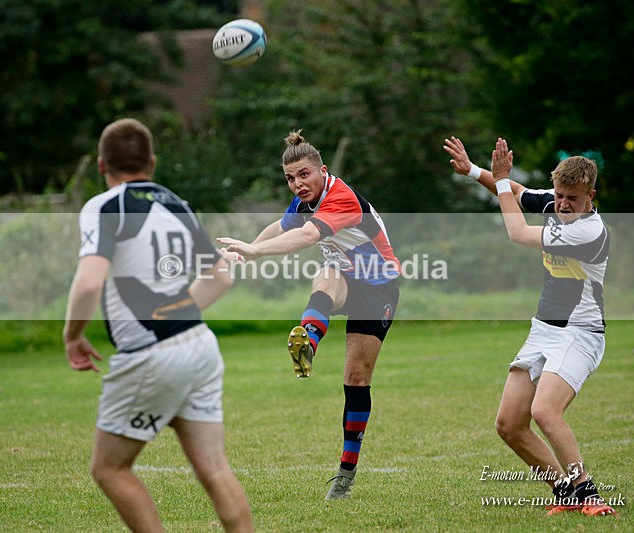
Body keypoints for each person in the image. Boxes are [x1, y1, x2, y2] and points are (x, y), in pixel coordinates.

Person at [63, 118, 253, 532]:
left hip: (151, 354)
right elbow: (221, 277)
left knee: (109, 468)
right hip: (199, 344)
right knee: (214, 467)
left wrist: (72, 335)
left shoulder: (104, 206)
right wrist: (177, 312)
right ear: (151, 162)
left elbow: (90, 281)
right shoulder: (176, 203)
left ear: (101, 165)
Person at [218, 130, 400, 500]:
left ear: (323, 171)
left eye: (304, 175)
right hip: (345, 278)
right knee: (327, 273)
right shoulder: (305, 200)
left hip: (379, 287)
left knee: (356, 378)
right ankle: (308, 340)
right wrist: (245, 250)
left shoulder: (341, 197)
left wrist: (255, 253)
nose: (298, 184)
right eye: (290, 178)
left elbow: (306, 237)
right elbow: (282, 226)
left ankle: (346, 473)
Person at [443, 136, 616, 517]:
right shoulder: (555, 202)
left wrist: (502, 181)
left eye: (573, 199)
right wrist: (474, 171)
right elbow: (519, 194)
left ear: (591, 196)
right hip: (544, 329)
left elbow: (517, 232)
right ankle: (565, 494)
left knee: (545, 412)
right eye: (559, 196)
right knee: (509, 424)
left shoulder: (588, 230)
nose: (563, 205)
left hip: (580, 334)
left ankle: (589, 495)